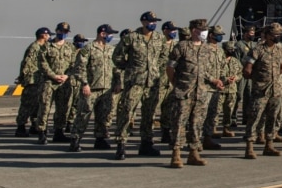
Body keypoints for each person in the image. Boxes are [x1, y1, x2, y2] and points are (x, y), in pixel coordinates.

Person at [166, 18, 223, 168]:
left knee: (197, 124)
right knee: (179, 123)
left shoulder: (206, 49)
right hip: (184, 92)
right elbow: (170, 68)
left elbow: (204, 71)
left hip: (200, 93)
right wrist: (177, 85)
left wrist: (214, 80)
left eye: (205, 30)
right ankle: (176, 154)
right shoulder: (182, 47)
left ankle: (193, 153)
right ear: (193, 31)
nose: (204, 32)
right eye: (201, 30)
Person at [112, 11, 168, 160]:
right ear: (143, 22)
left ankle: (146, 144)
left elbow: (164, 56)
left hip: (152, 82)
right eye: (150, 21)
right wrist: (129, 67)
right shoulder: (131, 38)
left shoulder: (159, 38)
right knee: (127, 111)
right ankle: (121, 144)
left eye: (155, 21)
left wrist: (155, 68)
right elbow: (117, 56)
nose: (153, 23)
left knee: (149, 114)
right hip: (135, 82)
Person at [67, 24, 118, 152]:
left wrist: (118, 83)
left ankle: (100, 139)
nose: (111, 36)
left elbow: (116, 68)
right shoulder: (88, 49)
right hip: (91, 88)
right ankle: (75, 139)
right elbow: (80, 68)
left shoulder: (111, 49)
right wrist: (85, 84)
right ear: (102, 33)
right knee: (84, 114)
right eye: (109, 34)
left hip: (106, 89)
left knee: (104, 116)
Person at [242, 23, 282, 158]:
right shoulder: (257, 50)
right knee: (254, 117)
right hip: (261, 90)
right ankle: (249, 147)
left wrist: (276, 79)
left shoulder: (280, 50)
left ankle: (269, 145)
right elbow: (247, 69)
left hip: (276, 90)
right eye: (275, 34)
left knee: (272, 117)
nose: (278, 37)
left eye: (279, 34)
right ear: (267, 35)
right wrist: (258, 80)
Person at [35, 22, 75, 144]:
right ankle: (42, 132)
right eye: (60, 31)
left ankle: (59, 132)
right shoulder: (46, 46)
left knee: (63, 108)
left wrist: (66, 76)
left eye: (65, 32)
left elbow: (74, 64)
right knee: (45, 107)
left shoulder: (70, 47)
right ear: (56, 31)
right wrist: (53, 76)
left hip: (64, 82)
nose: (63, 34)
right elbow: (42, 63)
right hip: (48, 82)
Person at [15, 27, 51, 137]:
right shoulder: (34, 47)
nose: (49, 37)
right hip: (32, 80)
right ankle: (20, 127)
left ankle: (34, 126)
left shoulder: (43, 47)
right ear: (43, 35)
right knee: (27, 104)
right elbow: (26, 63)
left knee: (37, 104)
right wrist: (24, 77)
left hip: (39, 80)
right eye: (48, 35)